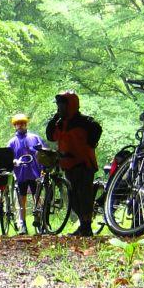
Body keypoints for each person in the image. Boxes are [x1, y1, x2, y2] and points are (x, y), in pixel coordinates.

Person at [45, 92, 102, 237]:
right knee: (74, 198)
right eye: (58, 105)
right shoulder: (60, 123)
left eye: (62, 105)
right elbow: (50, 136)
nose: (60, 108)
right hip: (68, 164)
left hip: (83, 163)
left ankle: (86, 227)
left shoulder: (85, 122)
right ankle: (83, 226)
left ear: (70, 105)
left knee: (84, 195)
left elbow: (96, 130)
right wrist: (55, 117)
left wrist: (90, 144)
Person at [7, 113, 44, 233]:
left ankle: (39, 220)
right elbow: (7, 156)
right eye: (18, 124)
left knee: (37, 197)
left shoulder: (34, 138)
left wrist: (43, 168)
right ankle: (22, 223)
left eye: (22, 123)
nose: (20, 126)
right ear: (14, 126)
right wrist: (13, 161)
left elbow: (42, 153)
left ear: (26, 124)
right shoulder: (12, 142)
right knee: (21, 200)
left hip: (35, 173)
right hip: (21, 175)